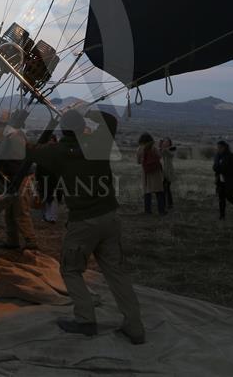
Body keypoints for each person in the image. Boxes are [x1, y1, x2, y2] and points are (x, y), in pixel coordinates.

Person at [30, 108, 146, 345]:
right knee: (116, 271)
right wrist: (88, 111)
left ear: (63, 130)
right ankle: (135, 326)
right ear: (83, 128)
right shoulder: (98, 142)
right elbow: (111, 119)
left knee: (70, 269)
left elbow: (29, 152)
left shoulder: (58, 152)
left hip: (84, 221)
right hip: (110, 216)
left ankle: (85, 320)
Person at [0, 109, 37, 250]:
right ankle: (12, 241)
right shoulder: (12, 136)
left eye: (2, 123)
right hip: (14, 177)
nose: (1, 126)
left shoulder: (15, 137)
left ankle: (31, 242)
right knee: (10, 211)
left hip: (23, 177)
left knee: (20, 210)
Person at [213, 140, 233, 220]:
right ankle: (222, 216)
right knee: (221, 198)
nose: (218, 149)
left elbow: (231, 168)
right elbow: (215, 167)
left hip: (229, 180)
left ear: (225, 147)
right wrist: (219, 170)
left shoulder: (231, 156)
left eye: (220, 147)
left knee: (229, 197)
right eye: (218, 147)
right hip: (220, 180)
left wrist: (220, 168)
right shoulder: (217, 156)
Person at [137, 134, 166, 215]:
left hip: (146, 172)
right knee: (159, 192)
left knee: (147, 192)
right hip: (155, 172)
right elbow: (159, 156)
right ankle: (161, 211)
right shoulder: (153, 148)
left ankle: (148, 211)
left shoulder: (139, 149)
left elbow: (138, 161)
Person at [159, 137, 177, 210]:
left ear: (170, 143)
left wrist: (163, 148)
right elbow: (160, 154)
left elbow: (171, 155)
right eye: (164, 142)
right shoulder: (164, 149)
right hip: (163, 171)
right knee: (165, 188)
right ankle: (168, 203)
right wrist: (160, 147)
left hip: (169, 171)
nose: (165, 143)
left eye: (167, 142)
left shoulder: (172, 149)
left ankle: (168, 204)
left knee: (166, 188)